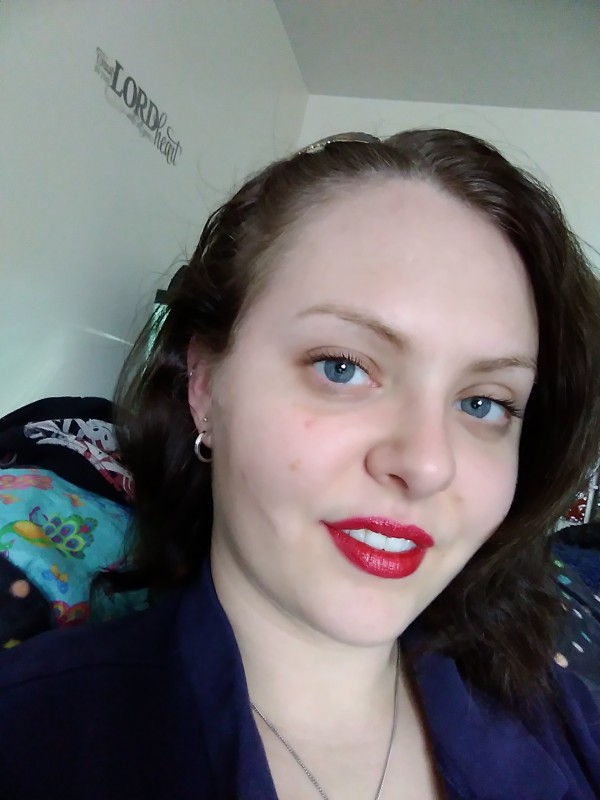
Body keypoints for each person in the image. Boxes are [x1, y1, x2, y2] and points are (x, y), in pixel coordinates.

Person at [1, 128, 600, 800]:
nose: (428, 464)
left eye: (483, 403)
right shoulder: (30, 739)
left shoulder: (568, 729)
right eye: (342, 367)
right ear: (206, 385)